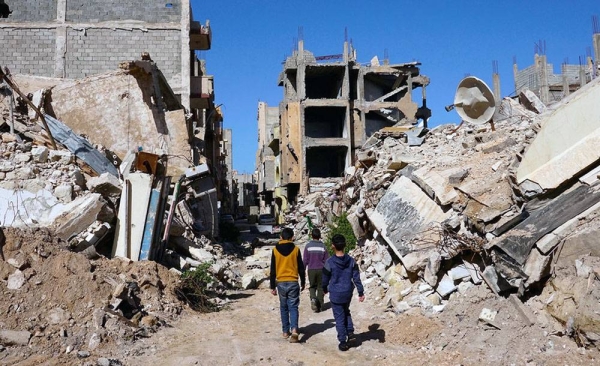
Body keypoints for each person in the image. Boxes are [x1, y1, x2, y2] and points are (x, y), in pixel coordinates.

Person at [322, 234, 365, 351]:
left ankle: (342, 341)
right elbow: (356, 278)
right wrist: (360, 292)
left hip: (335, 293)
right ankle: (350, 332)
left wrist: (324, 288)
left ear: (333, 246)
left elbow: (325, 278)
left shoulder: (330, 262)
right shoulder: (351, 261)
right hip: (347, 292)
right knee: (346, 311)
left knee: (339, 317)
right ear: (344, 245)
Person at [270, 227, 306, 343]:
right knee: (293, 306)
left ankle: (285, 331)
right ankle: (294, 329)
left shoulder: (275, 250)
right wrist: (303, 281)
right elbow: (301, 267)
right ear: (291, 237)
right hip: (293, 282)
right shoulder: (296, 250)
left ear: (281, 237)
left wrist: (272, 286)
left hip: (280, 282)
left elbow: (273, 270)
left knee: (283, 307)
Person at [303, 228, 329, 313]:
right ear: (320, 236)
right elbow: (326, 260)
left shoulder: (308, 246)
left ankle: (313, 299)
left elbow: (305, 260)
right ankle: (320, 306)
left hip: (311, 270)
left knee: (312, 286)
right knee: (320, 287)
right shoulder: (323, 246)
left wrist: (302, 270)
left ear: (312, 236)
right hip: (321, 270)